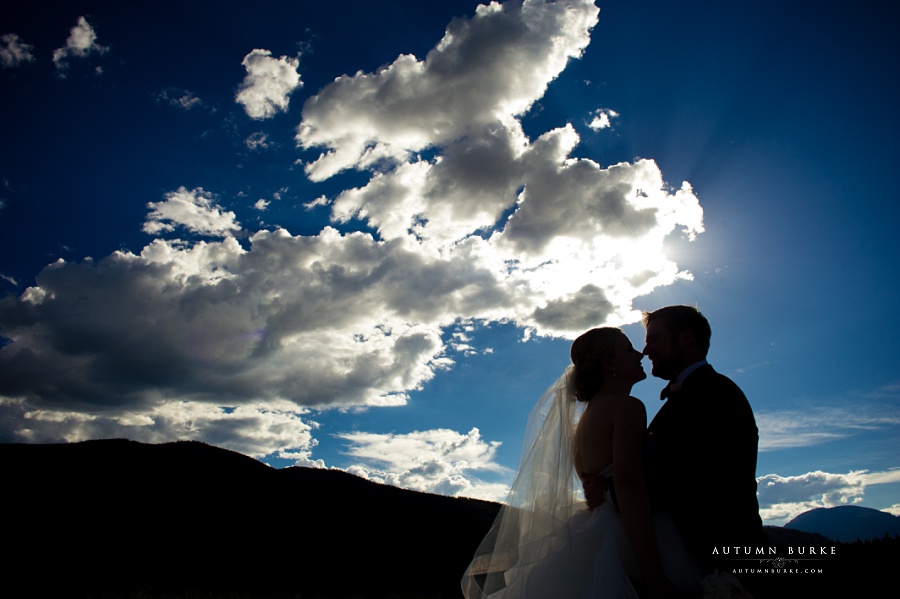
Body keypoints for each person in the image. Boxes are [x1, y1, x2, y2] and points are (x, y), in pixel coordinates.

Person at [461, 327, 699, 599]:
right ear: (609, 363)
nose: (639, 354)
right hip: (628, 536)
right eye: (628, 349)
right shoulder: (627, 408)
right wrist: (654, 576)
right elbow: (629, 486)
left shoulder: (584, 421)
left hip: (593, 528)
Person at [588, 306, 765, 577]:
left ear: (686, 338)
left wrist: (607, 491)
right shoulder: (689, 395)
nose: (646, 351)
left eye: (654, 339)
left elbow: (685, 474)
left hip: (724, 558)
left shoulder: (713, 394)